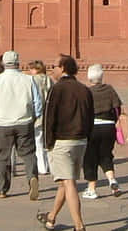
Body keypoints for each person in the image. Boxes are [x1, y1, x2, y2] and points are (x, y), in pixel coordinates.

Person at [37, 54, 93, 231]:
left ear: (62, 68)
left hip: (62, 141)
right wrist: (86, 139)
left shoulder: (57, 89)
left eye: (54, 66)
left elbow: (49, 117)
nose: (52, 69)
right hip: (81, 141)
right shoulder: (84, 89)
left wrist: (48, 143)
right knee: (64, 181)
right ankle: (51, 218)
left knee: (69, 183)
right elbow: (90, 117)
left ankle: (79, 225)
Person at [0, 50, 42, 201]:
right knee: (29, 154)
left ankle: (1, 189)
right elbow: (38, 103)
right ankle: (32, 178)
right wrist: (35, 117)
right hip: (24, 121)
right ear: (18, 63)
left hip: (3, 123)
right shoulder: (29, 80)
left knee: (3, 156)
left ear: (4, 63)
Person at [82, 63, 122, 199]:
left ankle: (91, 189)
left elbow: (83, 112)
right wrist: (115, 121)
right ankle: (112, 180)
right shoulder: (110, 89)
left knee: (90, 158)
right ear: (102, 76)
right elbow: (117, 108)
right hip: (109, 127)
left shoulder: (87, 92)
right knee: (106, 155)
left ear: (89, 78)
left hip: (92, 128)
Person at [28, 59, 54, 175]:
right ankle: (50, 165)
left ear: (36, 69)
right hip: (49, 114)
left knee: (38, 141)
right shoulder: (49, 80)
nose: (29, 71)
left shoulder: (32, 80)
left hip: (37, 114)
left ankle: (42, 167)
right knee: (48, 141)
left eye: (31, 69)